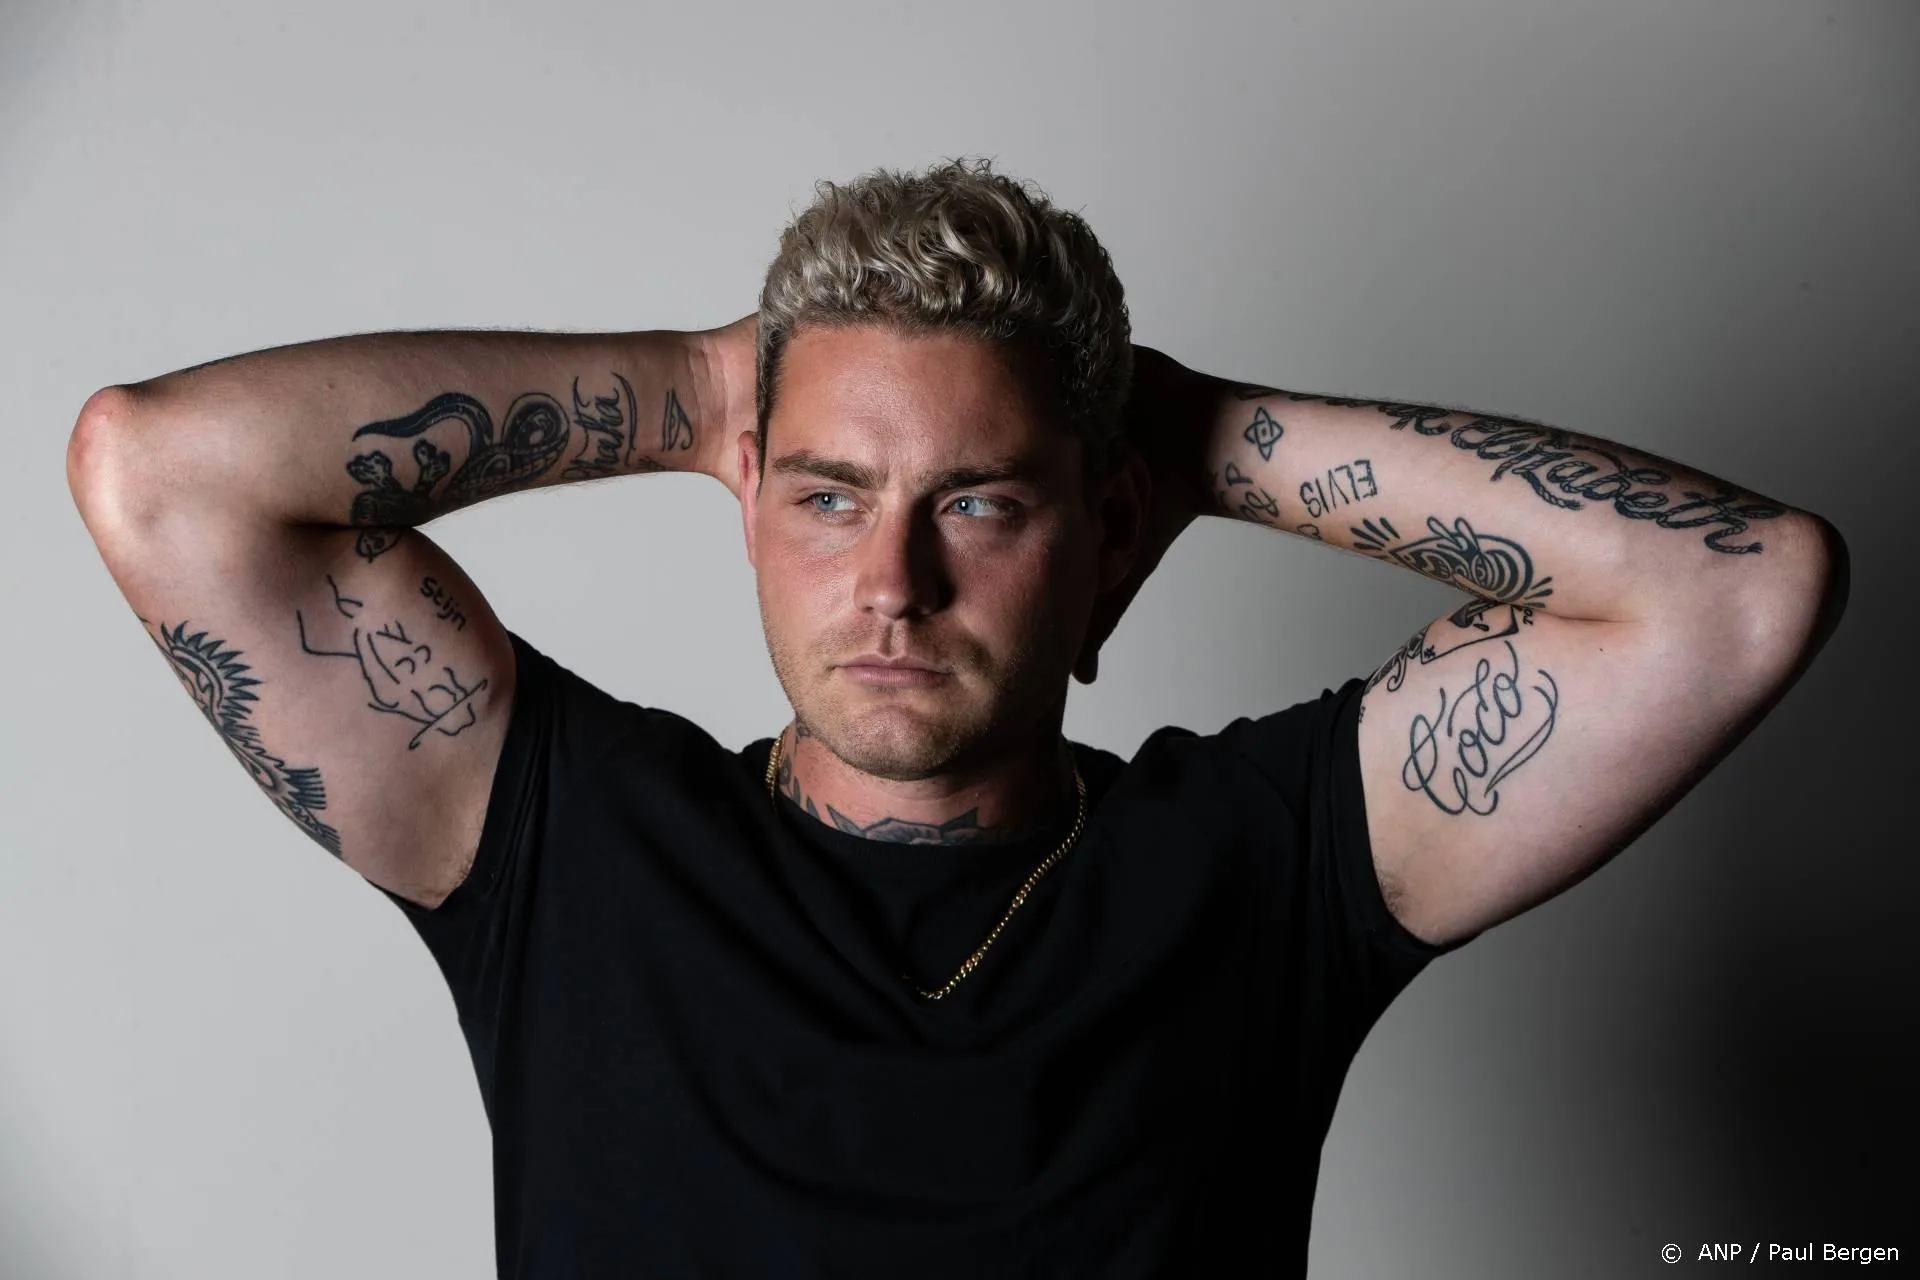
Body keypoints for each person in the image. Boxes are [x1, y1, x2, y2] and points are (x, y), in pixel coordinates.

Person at [66, 157, 1847, 1278]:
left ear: (1108, 533)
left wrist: (1194, 433)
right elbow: (158, 472)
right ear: (750, 503)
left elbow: (1742, 587)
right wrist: (698, 386)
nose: (892, 583)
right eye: (828, 495)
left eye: (980, 501)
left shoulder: (1273, 860)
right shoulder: (559, 835)